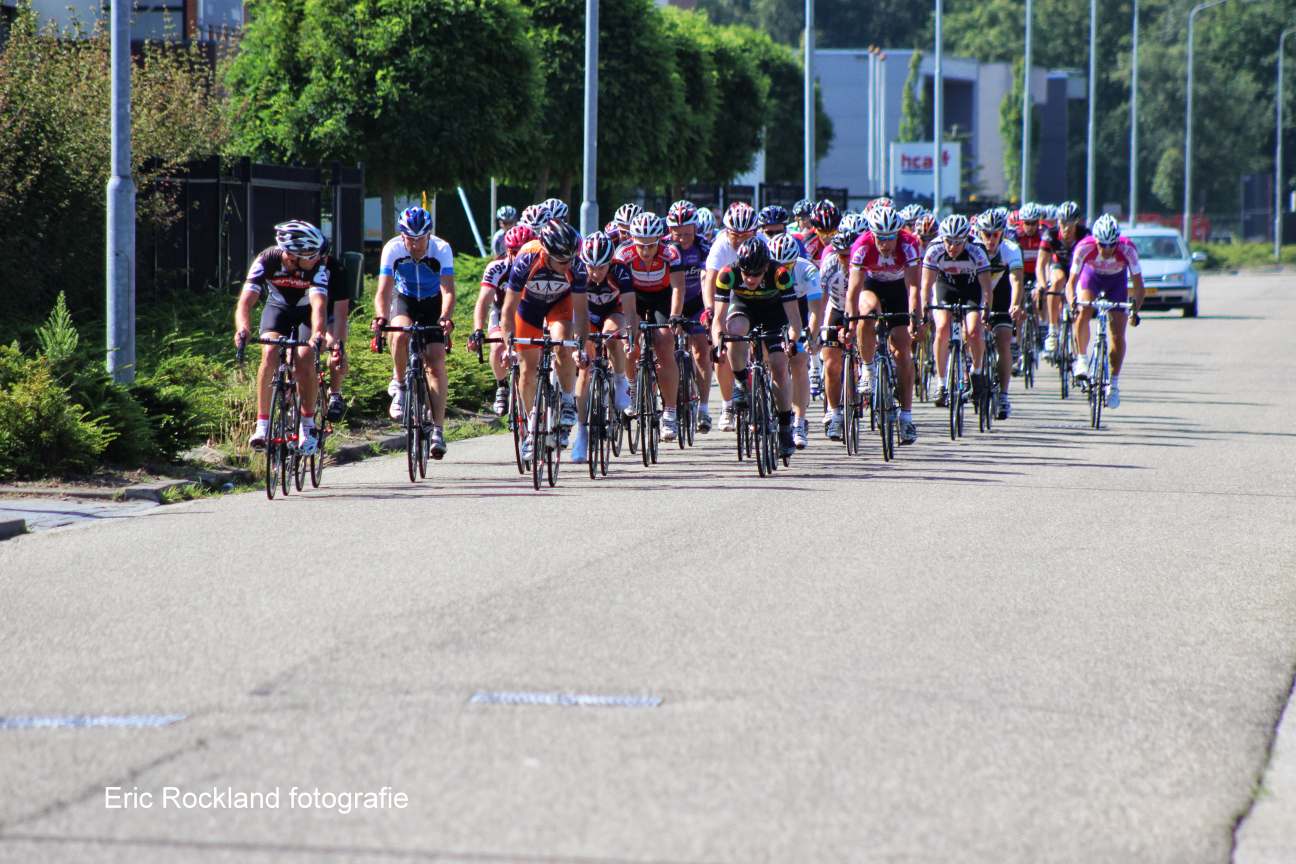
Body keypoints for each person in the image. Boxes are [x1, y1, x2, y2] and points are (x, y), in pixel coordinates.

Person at [234, 220, 329, 454]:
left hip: (307, 314)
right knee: (269, 353)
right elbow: (246, 301)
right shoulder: (267, 260)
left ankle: (307, 425)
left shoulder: (318, 266)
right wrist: (244, 329)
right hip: (278, 309)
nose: (317, 257)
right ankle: (262, 426)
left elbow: (319, 305)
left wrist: (318, 333)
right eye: (312, 254)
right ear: (293, 255)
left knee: (305, 359)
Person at [371, 206, 457, 459]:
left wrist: (445, 317)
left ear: (429, 236)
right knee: (398, 334)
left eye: (421, 239)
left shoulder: (441, 249)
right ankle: (399, 384)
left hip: (433, 302)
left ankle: (438, 430)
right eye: (410, 238)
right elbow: (384, 292)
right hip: (405, 297)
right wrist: (380, 317)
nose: (416, 244)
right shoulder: (393, 248)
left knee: (435, 360)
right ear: (402, 235)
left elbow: (448, 291)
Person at [500, 220, 589, 461]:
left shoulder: (577, 266)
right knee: (527, 370)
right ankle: (531, 429)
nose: (568, 264)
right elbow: (508, 309)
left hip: (559, 305)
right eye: (562, 260)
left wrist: (580, 345)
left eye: (571, 258)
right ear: (547, 253)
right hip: (529, 308)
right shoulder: (527, 258)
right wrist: (509, 348)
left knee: (563, 345)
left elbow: (581, 312)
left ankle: (568, 400)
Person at [713, 238, 802, 459]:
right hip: (743, 309)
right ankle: (742, 383)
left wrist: (791, 341)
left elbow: (794, 318)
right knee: (734, 331)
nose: (750, 278)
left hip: (774, 314)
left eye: (756, 274)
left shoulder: (780, 274)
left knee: (780, 368)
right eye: (746, 273)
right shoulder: (727, 274)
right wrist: (717, 343)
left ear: (765, 268)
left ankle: (784, 429)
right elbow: (718, 318)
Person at [846, 206, 921, 444]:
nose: (886, 243)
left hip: (899, 289)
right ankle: (867, 369)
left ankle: (906, 418)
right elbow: (853, 291)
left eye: (891, 237)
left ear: (898, 234)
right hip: (872, 286)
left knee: (902, 351)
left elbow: (913, 289)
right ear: (872, 234)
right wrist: (849, 324)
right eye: (881, 237)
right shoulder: (861, 245)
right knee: (866, 313)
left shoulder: (909, 245)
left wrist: (915, 320)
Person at [613, 211, 687, 441]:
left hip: (662, 298)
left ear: (659, 241)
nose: (645, 251)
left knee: (665, 346)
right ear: (632, 241)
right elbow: (619, 292)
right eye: (641, 246)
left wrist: (674, 315)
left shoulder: (670, 253)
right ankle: (633, 389)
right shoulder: (623, 254)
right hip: (633, 297)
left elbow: (678, 288)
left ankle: (670, 413)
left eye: (651, 246)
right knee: (631, 340)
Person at [1066, 213, 1145, 407]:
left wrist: (1134, 310)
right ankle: (1082, 359)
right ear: (1095, 241)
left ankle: (1114, 384)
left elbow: (1139, 286)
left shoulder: (1127, 249)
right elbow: (1071, 283)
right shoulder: (1084, 247)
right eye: (1103, 244)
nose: (1107, 249)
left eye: (1112, 245)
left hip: (1116, 283)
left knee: (1118, 336)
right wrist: (1072, 304)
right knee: (1083, 311)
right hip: (1091, 278)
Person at [569, 232, 632, 463]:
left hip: (614, 311)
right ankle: (582, 433)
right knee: (584, 369)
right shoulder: (577, 271)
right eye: (591, 268)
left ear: (610, 263)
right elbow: (571, 309)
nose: (596, 274)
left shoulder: (620, 270)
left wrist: (631, 337)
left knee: (611, 336)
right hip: (587, 315)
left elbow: (630, 306)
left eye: (601, 268)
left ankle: (619, 379)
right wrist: (579, 338)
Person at [922, 214, 993, 408]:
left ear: (965, 239)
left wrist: (986, 310)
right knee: (942, 328)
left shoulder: (977, 250)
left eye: (957, 243)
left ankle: (976, 373)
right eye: (949, 242)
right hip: (946, 288)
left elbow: (986, 286)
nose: (952, 247)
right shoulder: (934, 249)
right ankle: (942, 384)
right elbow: (926, 284)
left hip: (971, 289)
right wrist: (924, 311)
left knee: (973, 331)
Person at [704, 202, 759, 432]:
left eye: (746, 235)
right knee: (723, 347)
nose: (739, 240)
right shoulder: (721, 246)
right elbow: (709, 280)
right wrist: (709, 310)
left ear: (755, 233)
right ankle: (727, 405)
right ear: (727, 232)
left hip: (760, 295)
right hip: (730, 294)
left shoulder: (763, 246)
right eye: (735, 235)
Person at [469, 224, 535, 415]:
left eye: (524, 250)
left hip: (528, 314)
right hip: (500, 313)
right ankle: (501, 386)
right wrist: (477, 331)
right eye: (515, 251)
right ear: (507, 250)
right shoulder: (497, 267)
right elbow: (483, 301)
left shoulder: (539, 267)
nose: (519, 255)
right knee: (498, 347)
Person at [767, 233, 823, 448]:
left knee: (799, 363)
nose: (784, 272)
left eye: (789, 265)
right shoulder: (764, 270)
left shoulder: (807, 270)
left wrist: (812, 336)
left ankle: (798, 423)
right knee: (771, 361)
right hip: (773, 311)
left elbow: (816, 310)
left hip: (798, 312)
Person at [666, 200, 716, 433]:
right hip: (670, 301)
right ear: (670, 231)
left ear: (696, 229)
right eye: (678, 234)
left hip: (696, 301)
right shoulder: (664, 247)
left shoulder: (705, 247)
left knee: (701, 351)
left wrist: (709, 310)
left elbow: (709, 278)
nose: (683, 239)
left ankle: (704, 409)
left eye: (687, 233)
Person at [972, 210, 1025, 419]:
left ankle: (1003, 395)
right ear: (979, 232)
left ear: (1002, 233)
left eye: (995, 234)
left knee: (1003, 341)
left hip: (1002, 298)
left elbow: (1017, 280)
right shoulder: (973, 249)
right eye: (986, 234)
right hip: (977, 297)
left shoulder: (1010, 249)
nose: (991, 239)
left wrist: (1015, 305)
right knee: (971, 333)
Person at [818, 229, 857, 440]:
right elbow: (821, 301)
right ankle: (834, 415)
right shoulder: (830, 266)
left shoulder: (863, 264)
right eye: (842, 255)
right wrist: (817, 330)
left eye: (850, 254)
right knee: (832, 366)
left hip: (860, 309)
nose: (846, 259)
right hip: (835, 310)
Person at [308, 240, 351, 423]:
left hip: (332, 316)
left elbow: (341, 316)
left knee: (335, 350)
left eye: (322, 258)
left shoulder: (338, 271)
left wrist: (338, 348)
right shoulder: (300, 269)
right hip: (306, 315)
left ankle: (335, 393)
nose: (318, 262)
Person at [1038, 201, 1087, 357]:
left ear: (1077, 223)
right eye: (1063, 224)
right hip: (1058, 266)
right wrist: (1042, 285)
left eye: (1071, 224)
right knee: (1057, 281)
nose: (1067, 228)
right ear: (1058, 222)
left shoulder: (1085, 235)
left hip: (1078, 269)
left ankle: (1079, 351)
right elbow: (1041, 265)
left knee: (1080, 301)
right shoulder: (1050, 235)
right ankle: (1052, 330)